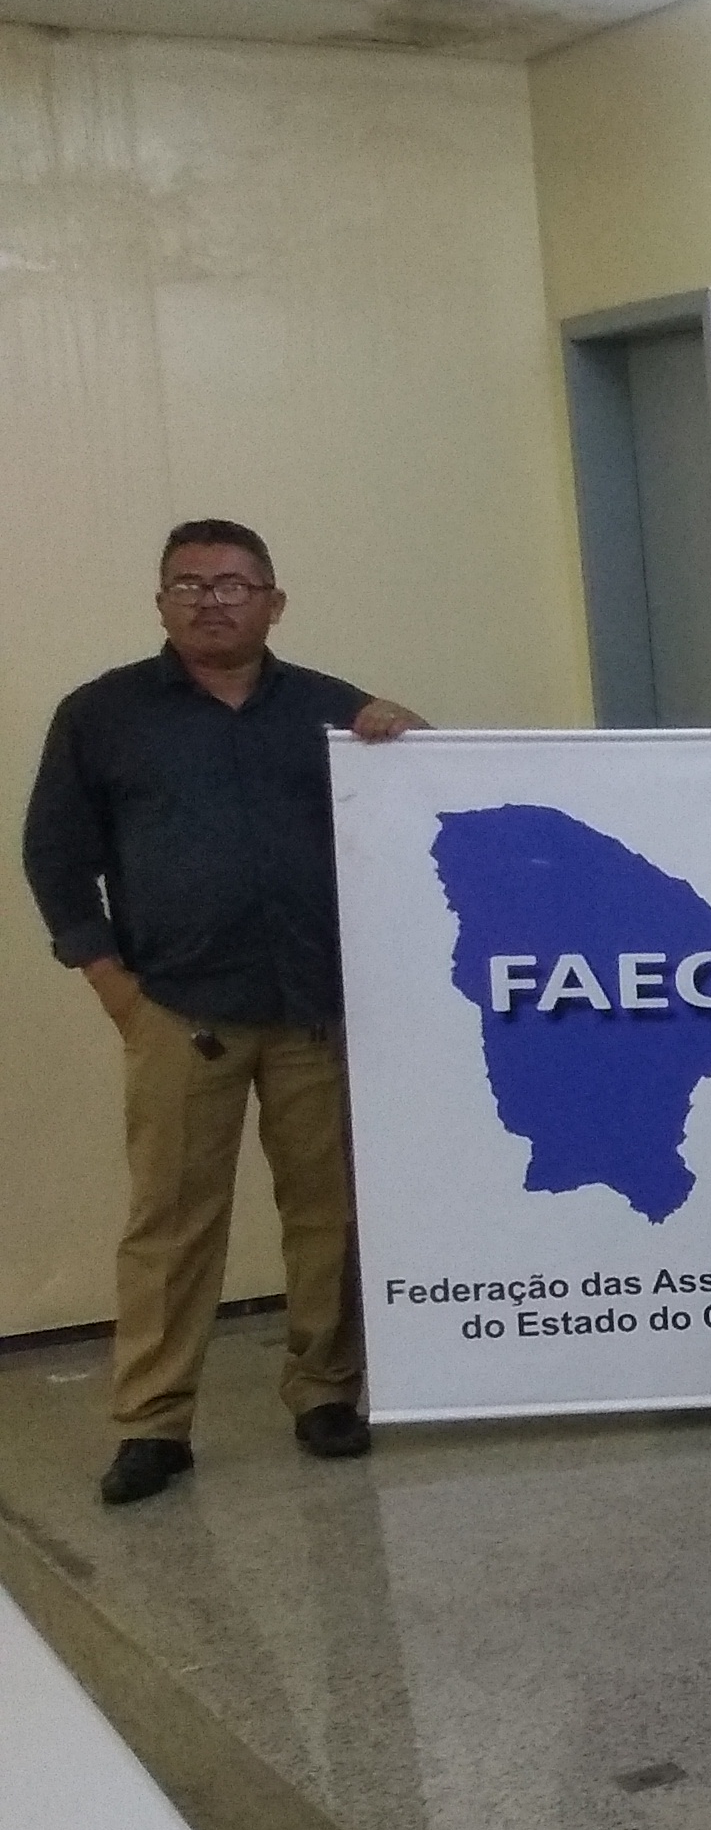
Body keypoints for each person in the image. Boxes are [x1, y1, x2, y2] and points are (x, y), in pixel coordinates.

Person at [23, 520, 423, 1502]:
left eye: (234, 584)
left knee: (327, 1215)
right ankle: (154, 1422)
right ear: (160, 603)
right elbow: (55, 855)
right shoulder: (102, 715)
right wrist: (109, 981)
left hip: (313, 1007)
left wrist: (407, 736)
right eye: (188, 584)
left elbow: (416, 815)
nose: (211, 600)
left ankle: (326, 1391)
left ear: (274, 602)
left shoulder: (333, 710)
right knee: (170, 1223)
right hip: (177, 1007)